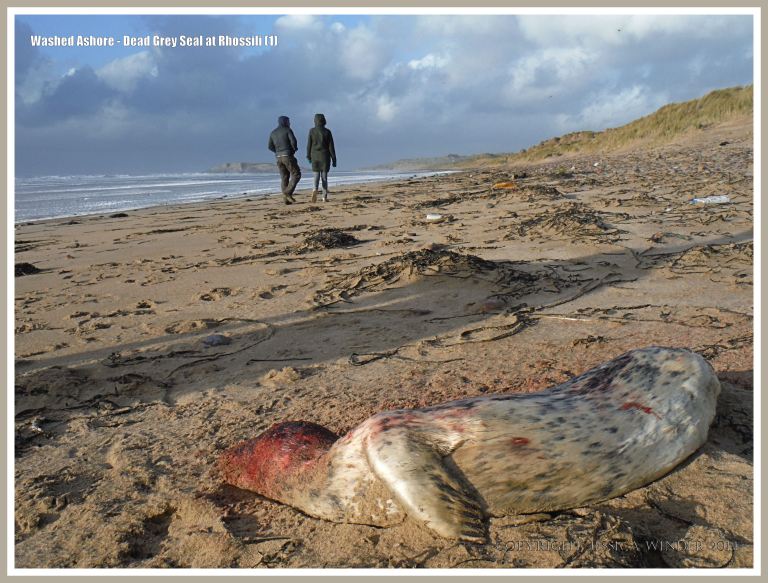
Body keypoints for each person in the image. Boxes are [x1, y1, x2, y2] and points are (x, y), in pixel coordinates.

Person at [268, 116, 301, 205]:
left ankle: (286, 200)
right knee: (296, 174)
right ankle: (287, 193)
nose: (290, 123)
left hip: (278, 157)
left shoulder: (273, 132)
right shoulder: (287, 130)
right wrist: (293, 150)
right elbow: (293, 141)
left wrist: (277, 152)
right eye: (288, 121)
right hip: (287, 155)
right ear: (285, 122)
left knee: (284, 177)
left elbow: (270, 146)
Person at [306, 113, 337, 202]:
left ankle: (314, 189)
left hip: (314, 156)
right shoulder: (327, 131)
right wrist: (334, 159)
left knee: (316, 176)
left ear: (315, 121)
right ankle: (324, 197)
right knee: (324, 177)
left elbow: (308, 145)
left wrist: (308, 156)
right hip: (325, 156)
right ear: (324, 120)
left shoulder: (311, 131)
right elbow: (331, 147)